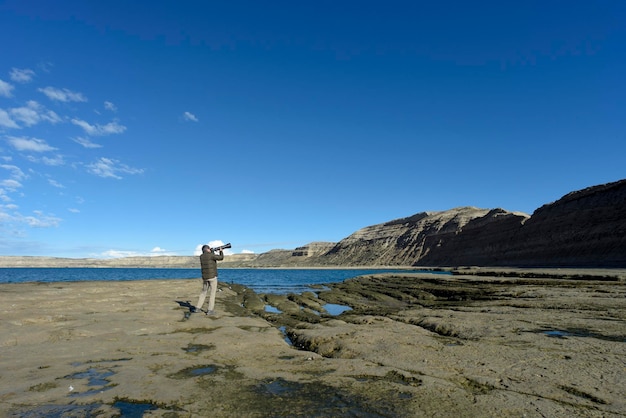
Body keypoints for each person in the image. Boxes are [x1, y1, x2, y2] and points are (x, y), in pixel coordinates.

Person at [194, 244, 223, 315]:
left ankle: (198, 307)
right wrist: (221, 251)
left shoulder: (201, 256)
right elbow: (221, 257)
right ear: (207, 249)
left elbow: (210, 257)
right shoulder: (211, 255)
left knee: (203, 292)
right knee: (212, 293)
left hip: (205, 277)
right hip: (212, 277)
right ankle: (210, 310)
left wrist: (212, 251)